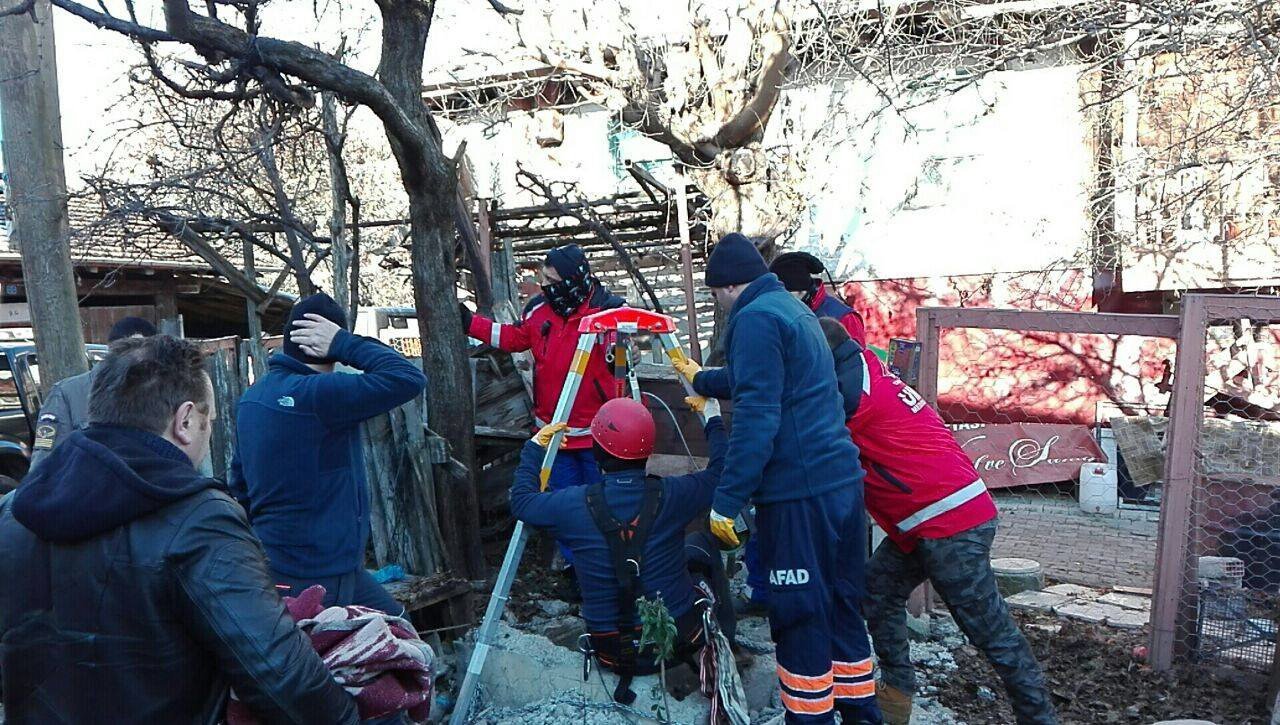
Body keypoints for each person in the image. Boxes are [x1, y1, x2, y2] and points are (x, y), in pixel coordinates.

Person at [0, 335, 358, 724]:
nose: (208, 436)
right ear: (185, 421)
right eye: (210, 423)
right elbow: (280, 674)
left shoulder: (11, 511)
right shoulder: (202, 520)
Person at [673, 233, 882, 725]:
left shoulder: (754, 319)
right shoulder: (793, 311)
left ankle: (809, 719)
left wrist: (726, 500)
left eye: (716, 296)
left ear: (725, 289)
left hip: (798, 495)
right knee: (841, 606)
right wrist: (704, 379)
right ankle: (860, 715)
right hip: (842, 486)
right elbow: (769, 376)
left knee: (800, 615)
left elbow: (758, 414)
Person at [818, 318, 1057, 725]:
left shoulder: (850, 393)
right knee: (877, 589)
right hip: (931, 519)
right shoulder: (864, 371)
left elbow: (805, 430)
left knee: (989, 630)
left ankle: (1038, 718)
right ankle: (897, 695)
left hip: (951, 523)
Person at [508, 396, 736, 701]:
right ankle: (726, 638)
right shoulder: (675, 495)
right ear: (648, 451)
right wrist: (712, 419)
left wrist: (534, 448)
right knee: (701, 545)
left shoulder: (571, 505)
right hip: (680, 640)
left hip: (612, 653)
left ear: (597, 452)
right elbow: (723, 471)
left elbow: (521, 501)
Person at [230, 293, 426, 618]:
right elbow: (408, 378)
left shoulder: (254, 397)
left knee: (399, 635)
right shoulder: (320, 395)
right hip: (316, 577)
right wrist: (345, 343)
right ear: (326, 343)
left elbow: (240, 486)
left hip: (299, 570)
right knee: (390, 655)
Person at [462, 243, 626, 590]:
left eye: (552, 280)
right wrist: (470, 324)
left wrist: (622, 355)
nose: (546, 285)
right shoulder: (539, 310)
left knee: (604, 506)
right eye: (544, 278)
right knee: (564, 508)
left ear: (572, 280)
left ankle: (612, 570)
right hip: (555, 434)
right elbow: (514, 338)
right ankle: (577, 572)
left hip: (599, 435)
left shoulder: (608, 311)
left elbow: (626, 360)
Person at [29, 316, 158, 468]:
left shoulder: (161, 393)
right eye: (125, 348)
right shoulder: (68, 393)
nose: (132, 357)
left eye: (141, 349)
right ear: (110, 349)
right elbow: (44, 464)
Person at [770, 251, 867, 347]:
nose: (780, 301)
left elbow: (857, 360)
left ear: (802, 292)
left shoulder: (845, 318)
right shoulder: (778, 315)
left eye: (783, 295)